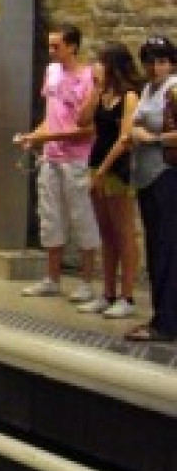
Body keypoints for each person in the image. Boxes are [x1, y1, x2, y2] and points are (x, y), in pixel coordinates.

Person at [16, 25, 100, 301]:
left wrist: (48, 136)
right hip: (50, 156)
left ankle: (86, 281)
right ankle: (51, 277)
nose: (51, 51)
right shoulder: (51, 72)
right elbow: (50, 116)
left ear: (72, 47)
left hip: (77, 159)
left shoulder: (88, 78)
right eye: (50, 45)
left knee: (81, 217)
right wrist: (35, 136)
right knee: (50, 217)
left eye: (57, 46)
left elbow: (88, 128)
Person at [120, 36, 177, 341]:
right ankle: (161, 316)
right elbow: (134, 124)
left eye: (162, 61)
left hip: (166, 176)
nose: (156, 68)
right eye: (151, 62)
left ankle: (166, 323)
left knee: (167, 249)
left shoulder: (174, 90)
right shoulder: (148, 89)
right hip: (147, 176)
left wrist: (152, 139)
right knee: (156, 248)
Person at [85, 43, 143, 317]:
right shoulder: (102, 94)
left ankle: (127, 295)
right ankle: (107, 292)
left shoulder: (129, 97)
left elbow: (124, 138)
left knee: (123, 232)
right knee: (106, 232)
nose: (96, 67)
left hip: (117, 169)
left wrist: (102, 171)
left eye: (101, 62)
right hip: (96, 163)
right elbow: (82, 120)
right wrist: (95, 90)